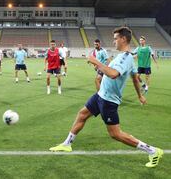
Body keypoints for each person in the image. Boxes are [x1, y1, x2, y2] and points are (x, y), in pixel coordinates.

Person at [49, 27, 163, 168]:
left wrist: (95, 61)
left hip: (109, 101)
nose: (113, 41)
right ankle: (67, 144)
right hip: (100, 95)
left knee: (116, 134)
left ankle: (153, 151)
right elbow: (134, 78)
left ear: (123, 39)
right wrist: (140, 96)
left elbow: (114, 74)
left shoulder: (126, 58)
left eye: (115, 38)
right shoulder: (123, 56)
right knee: (82, 114)